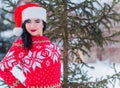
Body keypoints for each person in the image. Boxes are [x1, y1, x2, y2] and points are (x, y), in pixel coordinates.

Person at [0, 3, 62, 88]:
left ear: (43, 24)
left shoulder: (48, 43)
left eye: (37, 21)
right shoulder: (22, 44)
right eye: (28, 22)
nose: (32, 25)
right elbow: (2, 69)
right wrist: (20, 87)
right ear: (24, 25)